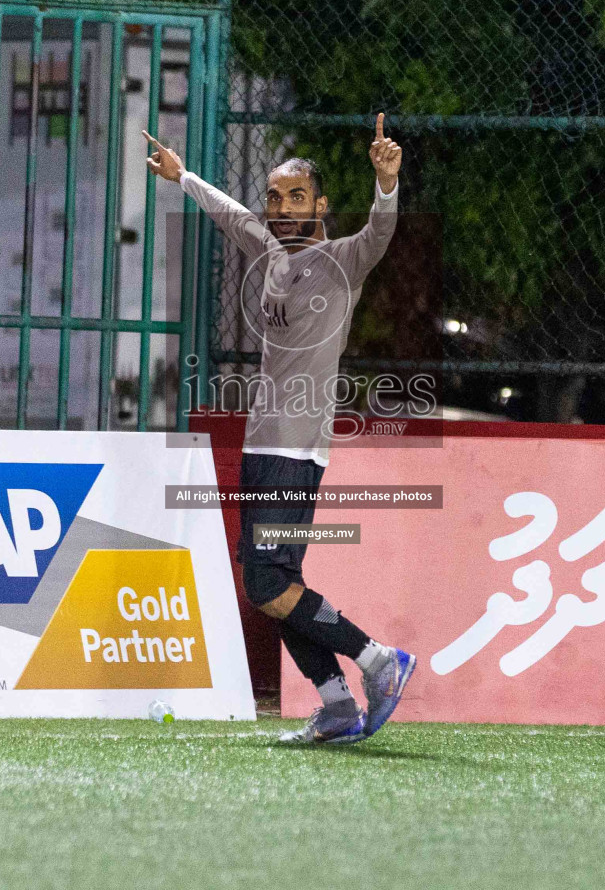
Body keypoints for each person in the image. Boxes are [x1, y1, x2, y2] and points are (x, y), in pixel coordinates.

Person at [144, 115, 416, 744]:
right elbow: (230, 213)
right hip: (266, 441)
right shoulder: (269, 251)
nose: (281, 208)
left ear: (321, 206)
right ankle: (337, 706)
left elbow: (380, 233)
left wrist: (386, 182)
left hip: (294, 446)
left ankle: (378, 660)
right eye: (275, 197)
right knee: (274, 585)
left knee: (265, 582)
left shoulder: (342, 260)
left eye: (297, 197)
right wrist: (182, 176)